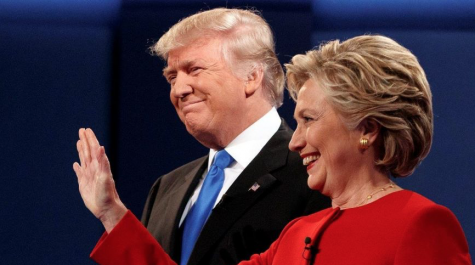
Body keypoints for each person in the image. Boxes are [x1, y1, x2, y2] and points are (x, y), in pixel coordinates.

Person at [75, 34, 472, 264]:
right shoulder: (296, 234)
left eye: (309, 121)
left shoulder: (421, 225)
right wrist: (113, 214)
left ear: (366, 128)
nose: (295, 141)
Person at [73, 7, 329, 265]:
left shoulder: (312, 172)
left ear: (251, 77)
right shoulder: (167, 188)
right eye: (172, 77)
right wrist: (110, 213)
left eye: (194, 69)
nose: (179, 90)